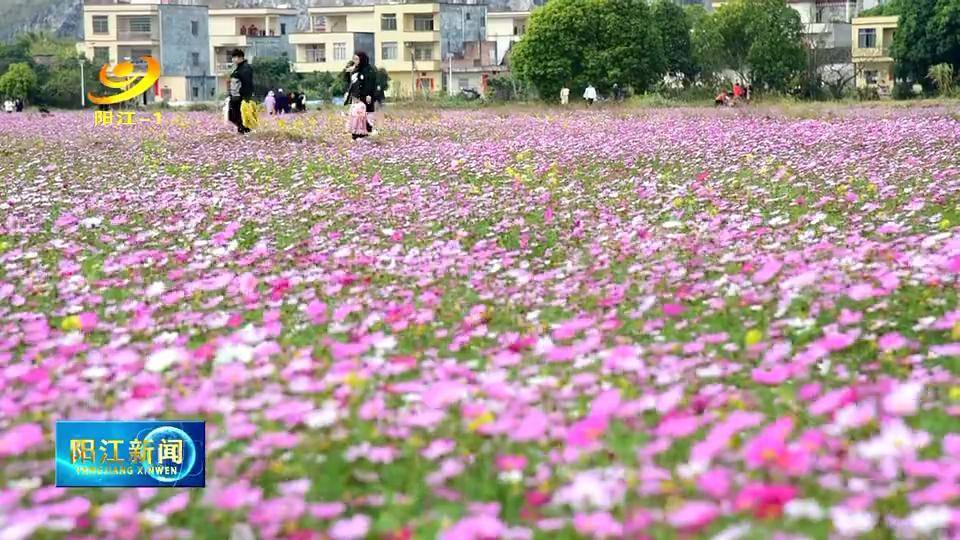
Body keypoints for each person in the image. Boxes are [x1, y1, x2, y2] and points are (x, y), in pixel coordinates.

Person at [344, 51, 377, 140]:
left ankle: (364, 134)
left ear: (361, 59)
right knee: (356, 116)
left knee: (365, 116)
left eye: (357, 59)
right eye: (354, 59)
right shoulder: (355, 70)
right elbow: (350, 83)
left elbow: (371, 83)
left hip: (366, 97)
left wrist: (369, 94)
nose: (355, 61)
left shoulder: (369, 70)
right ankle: (356, 134)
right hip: (356, 97)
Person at [227, 48, 253, 134]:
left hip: (240, 97)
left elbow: (247, 83)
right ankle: (242, 130)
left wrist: (245, 97)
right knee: (232, 116)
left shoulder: (245, 68)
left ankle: (244, 131)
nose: (233, 59)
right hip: (235, 96)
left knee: (239, 116)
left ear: (240, 57)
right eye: (233, 57)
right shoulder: (239, 68)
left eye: (235, 57)